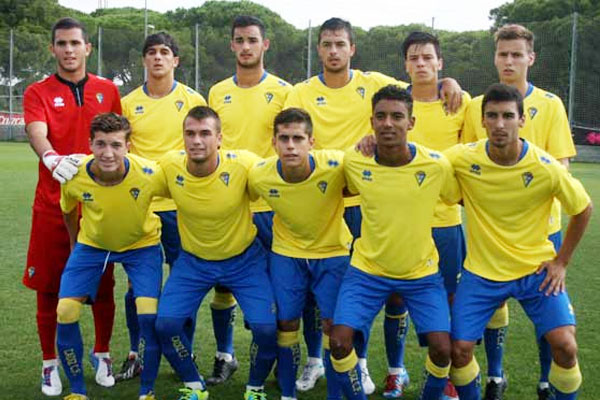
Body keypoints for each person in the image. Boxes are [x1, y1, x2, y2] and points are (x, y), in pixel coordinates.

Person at [284, 18, 463, 393]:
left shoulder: (376, 84)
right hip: (336, 199)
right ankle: (326, 362)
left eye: (340, 44)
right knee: (321, 293)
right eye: (327, 44)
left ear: (352, 49)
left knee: (413, 305)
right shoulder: (303, 96)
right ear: (319, 49)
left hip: (401, 213)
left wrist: (448, 82)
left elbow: (417, 83)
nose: (334, 51)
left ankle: (394, 369)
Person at [447, 83, 592, 400]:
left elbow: (583, 210)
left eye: (508, 116)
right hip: (482, 272)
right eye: (492, 116)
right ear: (482, 121)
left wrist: (561, 262)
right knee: (457, 350)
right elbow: (423, 161)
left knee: (566, 346)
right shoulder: (461, 158)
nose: (500, 124)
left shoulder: (546, 167)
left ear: (522, 120)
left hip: (535, 272)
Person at [461, 24, 577, 400]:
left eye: (516, 54)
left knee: (548, 316)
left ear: (531, 58)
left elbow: (561, 166)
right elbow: (466, 163)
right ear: (494, 58)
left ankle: (547, 380)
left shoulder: (551, 103)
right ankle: (495, 375)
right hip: (491, 230)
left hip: (543, 230)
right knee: (493, 306)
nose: (509, 61)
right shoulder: (478, 104)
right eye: (502, 54)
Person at [330, 85, 460, 400]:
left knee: (443, 349)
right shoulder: (355, 160)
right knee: (338, 342)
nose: (388, 123)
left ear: (411, 123)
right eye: (381, 116)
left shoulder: (435, 165)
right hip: (367, 270)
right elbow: (341, 189)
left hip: (421, 273)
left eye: (397, 116)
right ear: (371, 121)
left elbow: (458, 198)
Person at [23, 17, 120, 396]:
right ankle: (50, 364)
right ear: (53, 49)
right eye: (61, 43)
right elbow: (36, 130)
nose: (68, 50)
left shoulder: (107, 89)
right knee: (48, 288)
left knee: (103, 284)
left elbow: (119, 137)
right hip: (51, 205)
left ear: (87, 48)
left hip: (98, 207)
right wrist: (50, 158)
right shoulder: (37, 91)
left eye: (75, 43)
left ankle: (102, 353)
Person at [155, 106, 277, 400]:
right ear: (182, 138)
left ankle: (255, 387)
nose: (197, 140)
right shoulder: (170, 167)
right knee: (166, 325)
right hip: (194, 262)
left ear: (220, 138)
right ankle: (194, 384)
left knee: (266, 328)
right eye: (190, 133)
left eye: (205, 133)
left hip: (244, 260)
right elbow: (132, 180)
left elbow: (283, 179)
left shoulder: (244, 164)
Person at [381, 30, 470, 400]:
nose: (421, 64)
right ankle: (395, 372)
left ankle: (445, 375)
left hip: (446, 222)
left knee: (449, 299)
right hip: (401, 221)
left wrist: (452, 85)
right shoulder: (393, 103)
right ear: (405, 65)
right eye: (414, 58)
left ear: (439, 63)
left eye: (427, 58)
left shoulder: (461, 104)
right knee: (396, 298)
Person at [56, 113, 165, 400]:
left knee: (149, 316)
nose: (108, 153)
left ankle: (147, 390)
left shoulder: (150, 173)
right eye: (101, 144)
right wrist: (72, 243)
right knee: (65, 311)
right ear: (90, 144)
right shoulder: (73, 174)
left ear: (129, 146)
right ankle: (78, 391)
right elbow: (68, 209)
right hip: (92, 245)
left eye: (116, 145)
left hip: (142, 246)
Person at [207, 15, 291, 385]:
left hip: (272, 206)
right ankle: (226, 354)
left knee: (283, 285)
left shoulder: (285, 91)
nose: (245, 46)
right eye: (239, 40)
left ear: (265, 45)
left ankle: (289, 357)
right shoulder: (216, 92)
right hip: (229, 205)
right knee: (223, 284)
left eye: (252, 40)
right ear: (231, 45)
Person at [118, 31, 207, 382]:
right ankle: (135, 352)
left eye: (164, 52)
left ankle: (184, 348)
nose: (157, 57)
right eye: (151, 52)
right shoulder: (128, 103)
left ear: (176, 60)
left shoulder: (192, 98)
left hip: (181, 205)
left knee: (185, 280)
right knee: (136, 287)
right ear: (144, 60)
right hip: (140, 205)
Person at [248, 107, 351, 400]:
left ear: (312, 142)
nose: (290, 146)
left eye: (297, 138)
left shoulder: (337, 165)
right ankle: (288, 392)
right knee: (286, 322)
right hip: (286, 253)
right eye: (284, 138)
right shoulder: (259, 175)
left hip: (332, 252)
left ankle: (334, 392)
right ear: (274, 142)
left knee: (334, 327)